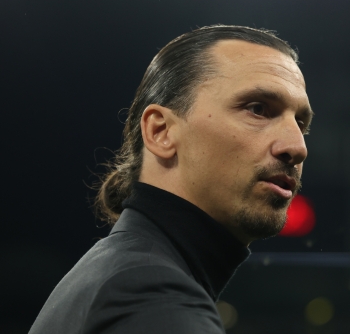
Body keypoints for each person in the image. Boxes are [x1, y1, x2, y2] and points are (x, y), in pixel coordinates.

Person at [29, 25, 313, 334]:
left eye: (301, 122)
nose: (297, 147)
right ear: (160, 132)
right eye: (258, 109)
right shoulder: (148, 293)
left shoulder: (123, 273)